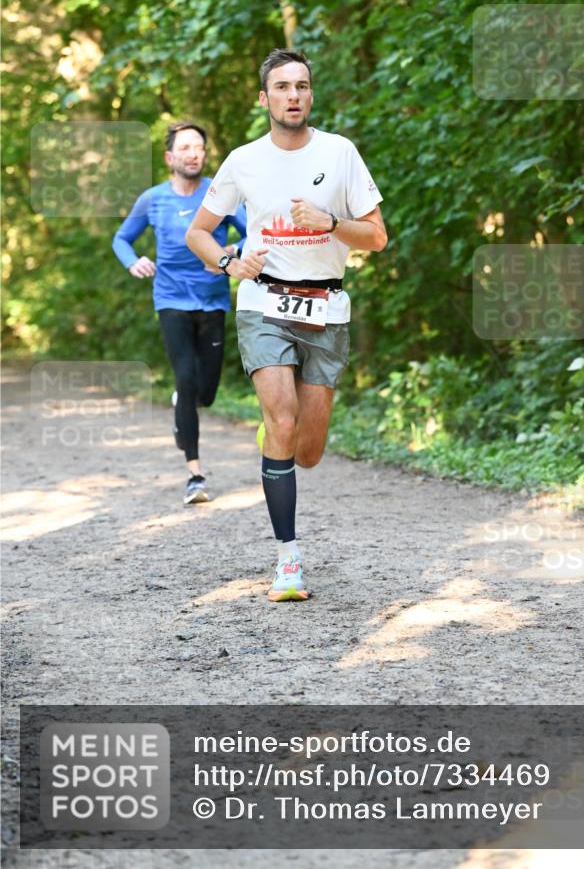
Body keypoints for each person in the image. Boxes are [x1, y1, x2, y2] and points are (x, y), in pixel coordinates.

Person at [185, 49, 387, 601]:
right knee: (281, 420)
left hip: (327, 308)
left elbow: (377, 236)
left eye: (301, 86)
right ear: (264, 98)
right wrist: (229, 262)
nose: (292, 95)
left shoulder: (340, 153)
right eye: (281, 87)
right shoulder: (244, 161)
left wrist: (330, 222)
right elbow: (198, 234)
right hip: (263, 303)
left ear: (311, 95)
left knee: (308, 449)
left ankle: (284, 432)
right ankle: (288, 561)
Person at [112, 121, 246, 505]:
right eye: (185, 148)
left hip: (214, 301)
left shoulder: (218, 196)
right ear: (171, 157)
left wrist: (231, 252)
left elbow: (253, 232)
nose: (193, 154)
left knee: (205, 393)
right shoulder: (153, 199)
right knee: (185, 379)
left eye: (199, 148)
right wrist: (132, 260)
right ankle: (196, 474)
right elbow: (121, 238)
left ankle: (182, 403)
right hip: (170, 300)